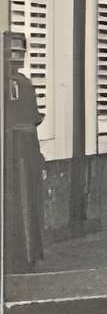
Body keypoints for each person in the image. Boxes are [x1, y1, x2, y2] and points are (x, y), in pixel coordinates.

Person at [3, 32, 46, 271]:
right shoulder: (23, 83)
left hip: (22, 148)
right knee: (23, 201)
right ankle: (24, 256)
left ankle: (23, 256)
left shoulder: (23, 83)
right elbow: (34, 117)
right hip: (21, 148)